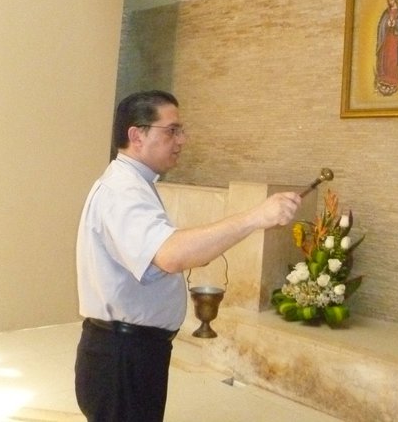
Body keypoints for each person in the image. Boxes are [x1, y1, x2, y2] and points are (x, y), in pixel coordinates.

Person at [74, 90, 301, 422]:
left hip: (132, 350)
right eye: (172, 130)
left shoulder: (135, 184)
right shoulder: (123, 191)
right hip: (122, 356)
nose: (182, 140)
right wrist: (256, 217)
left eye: (181, 130)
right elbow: (170, 255)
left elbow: (166, 252)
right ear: (137, 135)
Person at [375, 0, 398, 96]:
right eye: (389, 0)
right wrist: (387, 23)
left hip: (395, 37)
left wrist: (396, 23)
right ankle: (384, 78)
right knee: (386, 56)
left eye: (392, 0)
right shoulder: (386, 12)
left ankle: (393, 79)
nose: (390, 2)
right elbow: (381, 24)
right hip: (387, 37)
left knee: (393, 57)